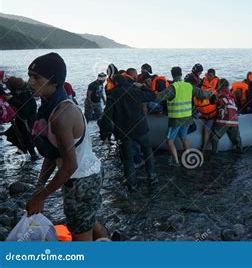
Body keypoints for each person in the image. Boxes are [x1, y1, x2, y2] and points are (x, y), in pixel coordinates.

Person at [26, 52, 107, 241]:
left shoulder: (61, 115)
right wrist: (40, 184)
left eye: (36, 77)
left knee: (81, 235)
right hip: (88, 174)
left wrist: (41, 197)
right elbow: (53, 153)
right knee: (88, 220)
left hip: (81, 181)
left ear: (54, 82)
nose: (30, 82)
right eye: (29, 75)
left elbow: (70, 165)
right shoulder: (48, 106)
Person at [101, 74, 158, 190]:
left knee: (127, 158)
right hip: (140, 128)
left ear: (116, 83)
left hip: (123, 131)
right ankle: (152, 177)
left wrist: (105, 133)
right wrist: (142, 86)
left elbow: (107, 116)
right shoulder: (135, 91)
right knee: (147, 150)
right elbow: (152, 96)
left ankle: (132, 184)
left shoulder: (113, 95)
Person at [155, 67, 214, 166]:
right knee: (184, 137)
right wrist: (212, 92)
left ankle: (176, 162)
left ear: (172, 74)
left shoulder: (172, 87)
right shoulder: (189, 86)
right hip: (187, 118)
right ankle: (188, 156)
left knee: (169, 141)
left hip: (176, 119)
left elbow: (158, 98)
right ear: (181, 74)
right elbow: (203, 94)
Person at [4, 76, 38, 158]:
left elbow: (22, 106)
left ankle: (32, 154)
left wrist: (11, 99)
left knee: (26, 136)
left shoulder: (24, 94)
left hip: (26, 119)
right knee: (14, 135)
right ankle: (23, 150)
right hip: (22, 118)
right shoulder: (21, 91)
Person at [210, 79, 242, 154]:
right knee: (237, 139)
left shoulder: (220, 94)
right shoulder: (231, 96)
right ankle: (239, 151)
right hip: (234, 120)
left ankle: (215, 154)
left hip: (224, 119)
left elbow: (218, 102)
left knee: (214, 137)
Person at [194, 69, 219, 152]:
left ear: (214, 75)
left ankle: (203, 148)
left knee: (206, 129)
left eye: (210, 75)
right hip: (203, 113)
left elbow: (217, 99)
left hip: (212, 115)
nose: (209, 76)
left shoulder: (217, 83)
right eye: (208, 75)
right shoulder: (203, 81)